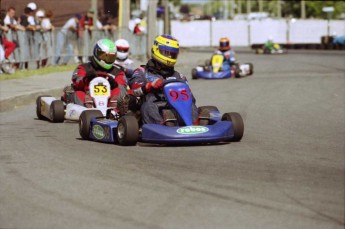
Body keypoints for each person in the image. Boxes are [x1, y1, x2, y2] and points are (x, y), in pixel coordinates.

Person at [128, 34, 200, 125]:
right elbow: (134, 89)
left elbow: (191, 99)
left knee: (191, 105)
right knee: (149, 104)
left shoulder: (179, 77)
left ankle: (194, 126)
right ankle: (160, 126)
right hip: (154, 104)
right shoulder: (142, 71)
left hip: (176, 106)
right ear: (156, 50)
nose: (169, 56)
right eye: (167, 53)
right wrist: (150, 86)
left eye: (172, 54)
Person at [63, 38, 130, 116]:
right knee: (78, 93)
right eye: (105, 56)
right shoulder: (84, 68)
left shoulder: (118, 71)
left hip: (108, 100)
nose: (108, 60)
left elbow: (122, 87)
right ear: (97, 53)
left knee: (119, 91)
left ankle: (114, 111)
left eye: (110, 57)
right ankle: (87, 108)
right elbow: (77, 82)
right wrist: (86, 79)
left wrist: (114, 83)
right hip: (88, 95)